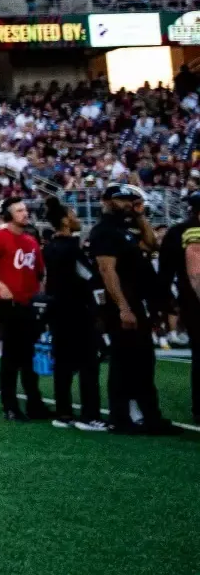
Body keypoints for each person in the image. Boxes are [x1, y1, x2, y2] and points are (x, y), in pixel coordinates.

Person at [90, 184, 172, 434]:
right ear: (107, 201)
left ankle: (148, 416)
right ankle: (122, 417)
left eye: (130, 199)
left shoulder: (124, 229)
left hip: (137, 302)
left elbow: (151, 244)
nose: (127, 203)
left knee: (144, 361)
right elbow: (107, 271)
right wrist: (123, 307)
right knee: (125, 362)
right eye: (122, 199)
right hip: (122, 305)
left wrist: (140, 215)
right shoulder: (104, 231)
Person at [0, 198, 48, 420]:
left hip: (28, 304)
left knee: (29, 358)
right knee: (11, 357)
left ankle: (34, 403)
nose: (25, 213)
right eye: (19, 210)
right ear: (8, 215)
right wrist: (1, 286)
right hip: (9, 305)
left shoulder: (31, 242)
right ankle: (10, 405)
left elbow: (40, 273)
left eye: (25, 209)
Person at [41, 197, 105, 431]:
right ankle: (90, 416)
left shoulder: (49, 247)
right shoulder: (72, 248)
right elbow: (89, 278)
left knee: (63, 365)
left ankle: (63, 412)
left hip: (58, 310)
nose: (77, 219)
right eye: (74, 215)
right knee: (88, 364)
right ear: (66, 221)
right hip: (78, 311)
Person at [162, 188, 200, 425]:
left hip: (188, 301)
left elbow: (165, 272)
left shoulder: (175, 231)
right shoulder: (190, 233)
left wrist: (167, 301)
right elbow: (195, 274)